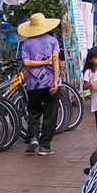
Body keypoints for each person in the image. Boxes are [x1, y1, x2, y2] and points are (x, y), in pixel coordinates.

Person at [17, 12, 63, 155]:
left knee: (34, 111)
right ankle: (45, 146)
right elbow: (55, 60)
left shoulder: (27, 43)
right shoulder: (52, 41)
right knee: (51, 113)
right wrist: (55, 80)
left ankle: (33, 137)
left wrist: (40, 63)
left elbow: (26, 62)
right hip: (50, 82)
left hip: (33, 83)